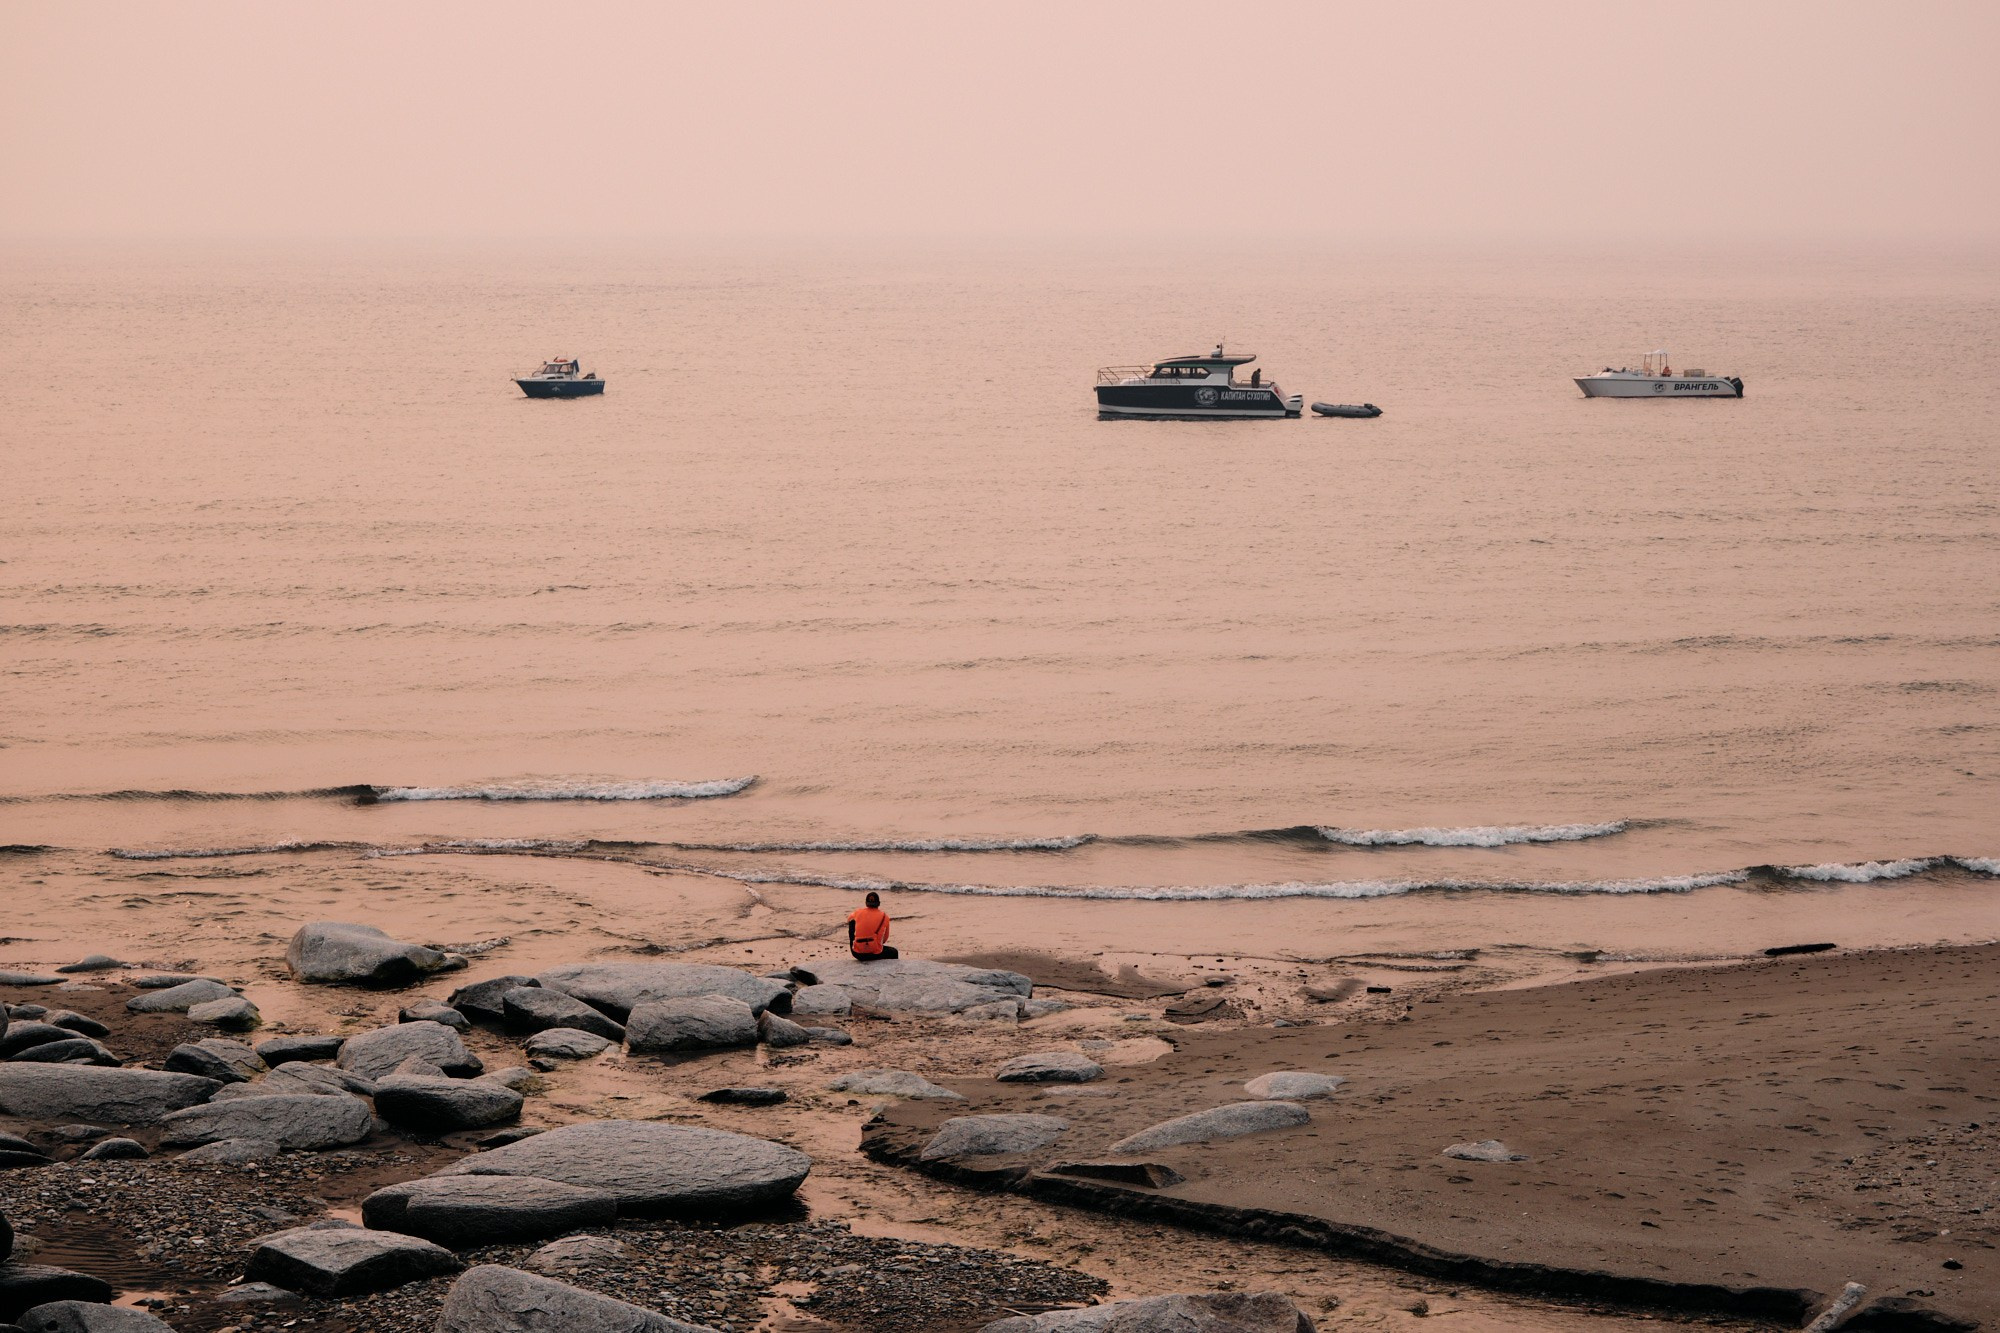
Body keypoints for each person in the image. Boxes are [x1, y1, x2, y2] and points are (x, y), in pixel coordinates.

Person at [847, 891, 897, 961]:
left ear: (866, 903)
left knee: (852, 922)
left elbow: (849, 920)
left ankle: (854, 945)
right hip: (875, 953)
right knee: (894, 952)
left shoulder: (857, 912)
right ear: (879, 903)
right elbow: (884, 940)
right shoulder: (885, 916)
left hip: (857, 953)